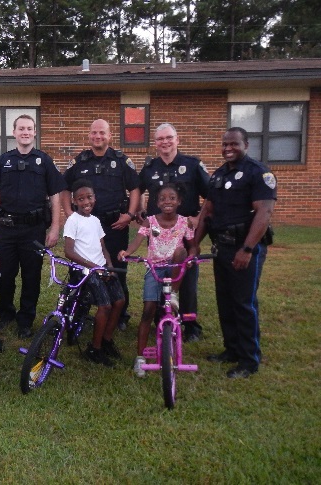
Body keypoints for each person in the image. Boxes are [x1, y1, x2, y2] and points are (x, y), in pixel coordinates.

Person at [192, 127, 276, 378]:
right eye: (225, 144)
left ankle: (249, 359)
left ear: (246, 145)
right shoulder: (218, 175)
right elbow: (207, 212)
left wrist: (248, 249)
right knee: (225, 302)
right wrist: (195, 244)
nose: (228, 148)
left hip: (244, 248)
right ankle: (231, 349)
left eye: (234, 144)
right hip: (222, 248)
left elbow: (264, 213)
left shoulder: (258, 173)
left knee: (244, 303)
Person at [0, 114, 66, 339]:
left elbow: (55, 196)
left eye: (29, 128)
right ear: (14, 132)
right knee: (3, 274)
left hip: (34, 230)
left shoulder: (44, 161)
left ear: (35, 132)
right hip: (6, 230)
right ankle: (6, 313)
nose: (25, 132)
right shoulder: (3, 160)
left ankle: (25, 320)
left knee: (31, 276)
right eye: (21, 129)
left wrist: (55, 227)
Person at [62, 119, 140, 331]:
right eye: (94, 133)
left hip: (115, 226)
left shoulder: (121, 160)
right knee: (82, 271)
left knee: (116, 269)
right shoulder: (79, 161)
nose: (98, 136)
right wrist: (70, 214)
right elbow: (64, 188)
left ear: (109, 135)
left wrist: (130, 215)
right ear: (89, 136)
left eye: (102, 133)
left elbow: (135, 189)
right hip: (86, 228)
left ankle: (120, 315)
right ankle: (80, 312)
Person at [138, 123, 209, 342]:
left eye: (169, 137)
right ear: (155, 143)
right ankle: (163, 317)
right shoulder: (150, 168)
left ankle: (189, 324)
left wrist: (199, 217)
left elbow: (210, 195)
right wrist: (140, 209)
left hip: (184, 234)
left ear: (177, 139)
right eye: (160, 139)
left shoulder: (192, 165)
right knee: (159, 275)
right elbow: (137, 189)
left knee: (186, 277)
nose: (165, 142)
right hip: (158, 233)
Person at [118, 183, 194, 377]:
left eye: (171, 198)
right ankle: (140, 357)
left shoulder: (185, 222)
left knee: (181, 251)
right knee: (148, 311)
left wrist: (191, 257)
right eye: (162, 199)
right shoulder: (149, 221)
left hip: (175, 266)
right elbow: (137, 241)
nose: (167, 201)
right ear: (156, 203)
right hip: (155, 268)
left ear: (179, 201)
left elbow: (192, 247)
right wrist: (127, 251)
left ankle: (174, 294)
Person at [63, 179, 125, 367]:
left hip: (101, 268)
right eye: (81, 199)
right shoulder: (72, 220)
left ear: (94, 198)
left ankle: (106, 340)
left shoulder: (96, 221)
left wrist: (109, 266)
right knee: (104, 306)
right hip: (85, 271)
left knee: (120, 301)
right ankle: (94, 349)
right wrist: (92, 267)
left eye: (89, 197)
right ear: (74, 202)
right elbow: (69, 251)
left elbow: (103, 247)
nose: (85, 202)